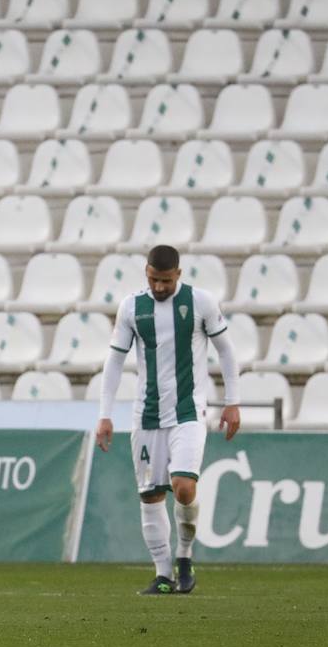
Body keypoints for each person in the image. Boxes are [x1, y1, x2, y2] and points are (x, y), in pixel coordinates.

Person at [95, 244, 242, 596]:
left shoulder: (201, 302)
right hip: (146, 417)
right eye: (153, 279)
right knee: (149, 497)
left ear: (178, 274)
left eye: (165, 280)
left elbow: (226, 350)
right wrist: (104, 414)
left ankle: (185, 556)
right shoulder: (132, 307)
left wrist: (232, 402)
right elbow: (114, 361)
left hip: (188, 412)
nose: (159, 287)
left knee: (183, 487)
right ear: (146, 273)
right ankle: (162, 575)